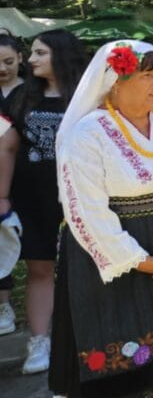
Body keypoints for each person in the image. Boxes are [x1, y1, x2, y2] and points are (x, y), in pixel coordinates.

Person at [49, 40, 153, 398]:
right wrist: (143, 262)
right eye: (147, 75)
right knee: (124, 347)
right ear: (114, 82)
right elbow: (86, 211)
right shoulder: (88, 134)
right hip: (116, 262)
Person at [5, 29, 87, 374]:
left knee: (86, 267)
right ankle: (40, 342)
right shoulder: (20, 97)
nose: (32, 59)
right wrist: (1, 196)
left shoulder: (88, 95)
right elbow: (5, 147)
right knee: (39, 268)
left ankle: (88, 336)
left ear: (61, 55)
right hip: (32, 198)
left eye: (40, 53)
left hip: (80, 197)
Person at [0, 32, 24, 335]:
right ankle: (4, 305)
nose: (3, 68)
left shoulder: (34, 92)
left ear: (20, 58)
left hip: (31, 178)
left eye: (8, 61)